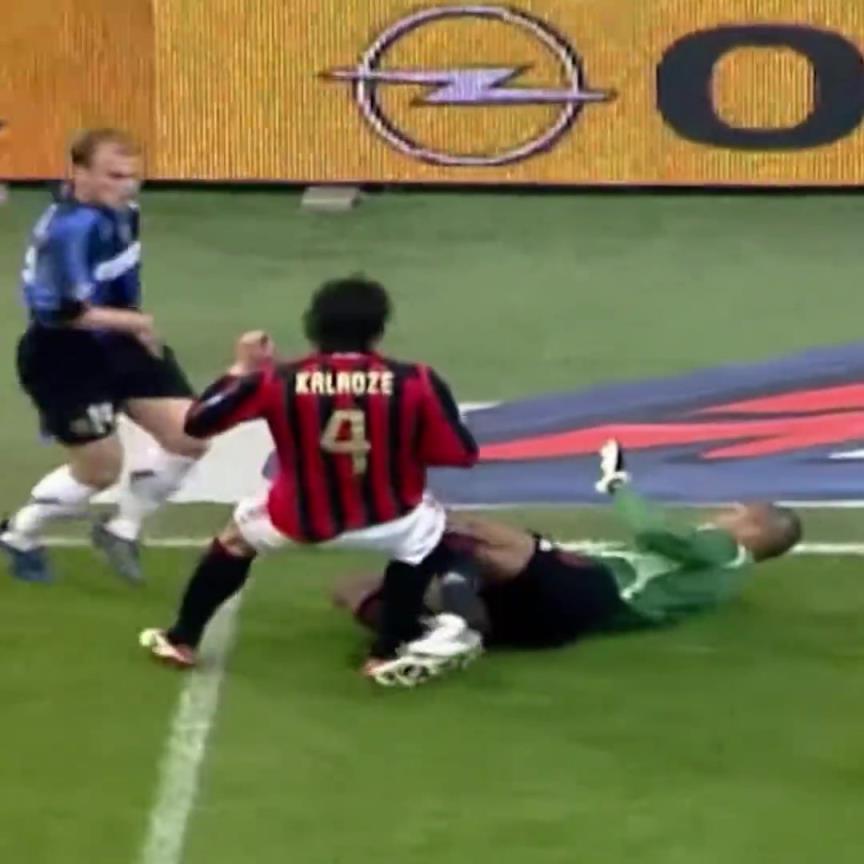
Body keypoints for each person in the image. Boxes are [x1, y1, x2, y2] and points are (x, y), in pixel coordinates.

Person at [139, 276, 482, 685]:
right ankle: (386, 651)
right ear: (378, 329)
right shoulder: (417, 380)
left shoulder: (277, 380)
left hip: (295, 520)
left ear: (313, 326)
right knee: (427, 537)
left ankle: (181, 639)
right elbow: (460, 454)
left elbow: (197, 422)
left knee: (235, 541)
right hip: (391, 519)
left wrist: (242, 369)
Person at [336, 440, 803, 650]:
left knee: (475, 536)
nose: (722, 515)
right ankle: (439, 628)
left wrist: (618, 485)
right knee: (364, 588)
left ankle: (384, 518)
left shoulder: (725, 550)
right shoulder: (728, 578)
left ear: (754, 530)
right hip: (575, 617)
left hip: (595, 589)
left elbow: (656, 534)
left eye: (736, 513)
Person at [1, 128, 206, 584]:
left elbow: (117, 280)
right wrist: (137, 323)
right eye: (114, 176)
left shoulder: (124, 212)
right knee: (100, 471)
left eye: (133, 176)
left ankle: (120, 530)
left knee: (193, 433)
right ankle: (19, 534)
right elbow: (62, 312)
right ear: (79, 172)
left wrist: (134, 328)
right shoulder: (67, 231)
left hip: (121, 343)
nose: (127, 186)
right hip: (63, 357)